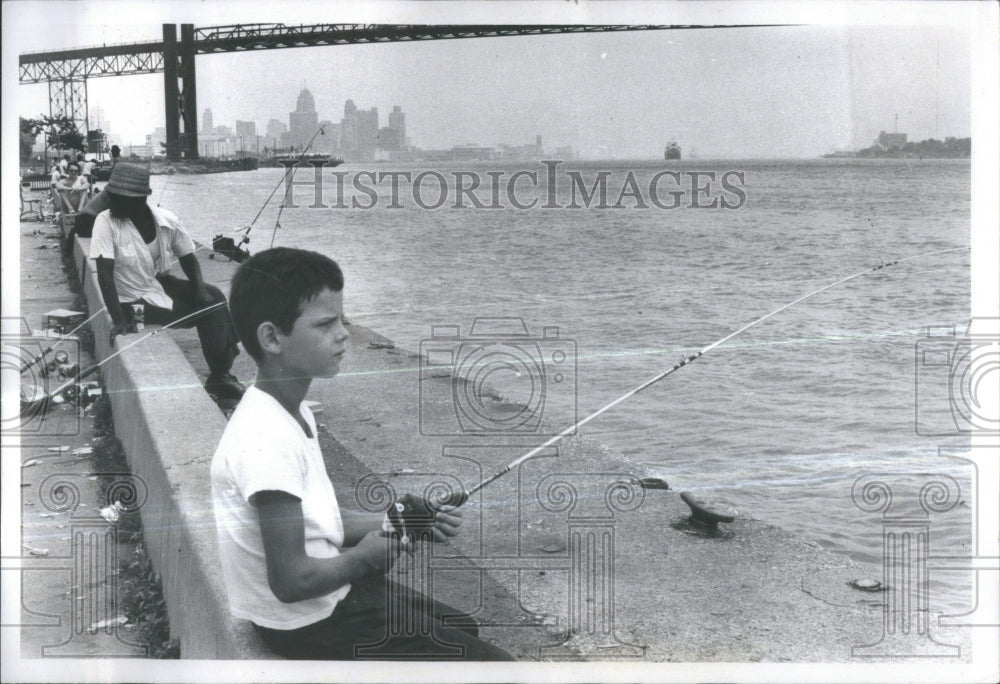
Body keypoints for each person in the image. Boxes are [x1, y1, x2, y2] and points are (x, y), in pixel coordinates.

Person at [211, 247, 513, 661]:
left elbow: (318, 523)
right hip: (307, 623)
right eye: (325, 324)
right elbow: (291, 581)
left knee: (462, 627)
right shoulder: (266, 440)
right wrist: (364, 558)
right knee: (495, 666)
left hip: (324, 599)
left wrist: (401, 520)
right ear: (272, 337)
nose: (343, 334)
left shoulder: (287, 408)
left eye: (343, 320)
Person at [89, 162, 244, 400]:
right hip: (132, 302)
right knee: (210, 312)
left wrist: (200, 288)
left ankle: (223, 365)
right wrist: (118, 320)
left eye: (119, 198)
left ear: (139, 200)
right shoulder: (105, 221)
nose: (111, 202)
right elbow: (105, 274)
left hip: (156, 284)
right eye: (111, 196)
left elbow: (188, 258)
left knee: (214, 295)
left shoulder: (166, 220)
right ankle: (220, 373)